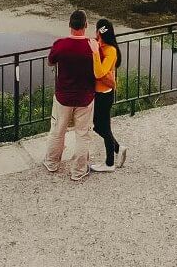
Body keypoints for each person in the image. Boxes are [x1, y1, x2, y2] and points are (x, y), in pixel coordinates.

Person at [43, 10, 97, 180]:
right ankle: (78, 171)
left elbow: (50, 61)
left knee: (58, 131)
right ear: (86, 25)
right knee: (83, 134)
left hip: (63, 97)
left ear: (70, 25)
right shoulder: (92, 45)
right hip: (85, 97)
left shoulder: (61, 44)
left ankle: (52, 163)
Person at [89, 19, 127, 172]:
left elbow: (99, 72)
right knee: (100, 125)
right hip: (97, 93)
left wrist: (95, 52)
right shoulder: (101, 46)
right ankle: (118, 148)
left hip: (104, 94)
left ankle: (110, 163)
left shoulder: (110, 50)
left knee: (101, 126)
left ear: (99, 31)